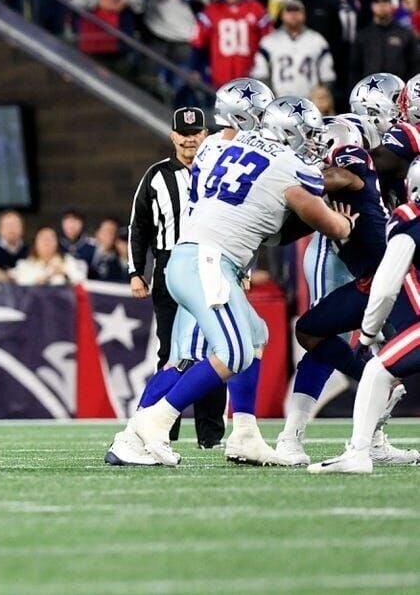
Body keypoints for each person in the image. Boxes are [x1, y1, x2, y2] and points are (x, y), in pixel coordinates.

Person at [127, 98, 354, 467]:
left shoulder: (222, 146)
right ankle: (150, 423)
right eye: (307, 134)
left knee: (254, 337)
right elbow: (326, 220)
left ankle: (245, 434)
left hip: (200, 259)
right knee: (225, 354)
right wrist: (347, 223)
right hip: (208, 262)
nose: (311, 142)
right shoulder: (286, 164)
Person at [275, 119, 418, 467]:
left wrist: (284, 177)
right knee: (309, 330)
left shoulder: (350, 157)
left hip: (391, 279)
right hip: (369, 280)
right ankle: (371, 424)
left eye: (318, 146)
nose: (314, 152)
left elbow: (338, 177)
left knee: (387, 358)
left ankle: (357, 443)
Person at [310, 158, 420, 474]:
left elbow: (385, 288)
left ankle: (359, 452)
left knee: (375, 369)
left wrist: (369, 334)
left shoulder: (409, 218)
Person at [128, 105, 227, 448]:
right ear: (173, 136)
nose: (189, 140)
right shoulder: (156, 176)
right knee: (173, 351)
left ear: (206, 135)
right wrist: (136, 272)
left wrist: (241, 268)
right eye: (183, 134)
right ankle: (160, 430)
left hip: (214, 265)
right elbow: (139, 227)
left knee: (219, 349)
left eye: (195, 133)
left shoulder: (220, 171)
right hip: (170, 268)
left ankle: (211, 436)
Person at [191, 0, 272, 88]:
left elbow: (270, 42)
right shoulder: (211, 11)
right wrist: (196, 68)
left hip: (250, 80)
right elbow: (198, 44)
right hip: (219, 81)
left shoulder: (257, 9)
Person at [253, 0, 335, 98]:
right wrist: (270, 99)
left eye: (297, 11)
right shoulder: (269, 41)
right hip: (279, 102)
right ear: (282, 15)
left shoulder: (317, 40)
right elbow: (261, 74)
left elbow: (327, 76)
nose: (293, 15)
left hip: (310, 102)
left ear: (304, 15)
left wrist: (320, 98)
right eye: (289, 11)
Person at [352, 0, 420, 79]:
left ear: (391, 5)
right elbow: (354, 68)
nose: (381, 5)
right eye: (377, 2)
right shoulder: (363, 35)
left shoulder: (405, 34)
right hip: (370, 89)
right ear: (372, 6)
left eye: (385, 1)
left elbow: (415, 65)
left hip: (399, 88)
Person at [10, 226, 86, 286]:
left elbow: (80, 281)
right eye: (43, 238)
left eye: (51, 238)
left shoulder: (68, 261)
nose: (47, 242)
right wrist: (48, 275)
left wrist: (65, 273)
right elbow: (23, 284)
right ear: (35, 243)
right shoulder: (24, 264)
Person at [90, 217, 129, 282]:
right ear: (97, 233)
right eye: (107, 231)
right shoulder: (87, 251)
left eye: (114, 232)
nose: (110, 235)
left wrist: (125, 256)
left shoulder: (119, 260)